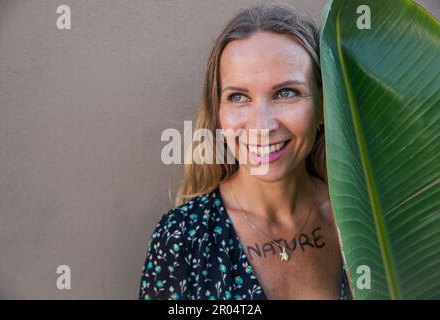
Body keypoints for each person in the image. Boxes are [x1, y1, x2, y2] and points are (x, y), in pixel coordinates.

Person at [138, 3, 352, 300]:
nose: (262, 125)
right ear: (219, 112)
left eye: (286, 92)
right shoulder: (183, 237)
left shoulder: (363, 221)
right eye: (238, 97)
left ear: (322, 103)